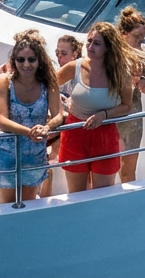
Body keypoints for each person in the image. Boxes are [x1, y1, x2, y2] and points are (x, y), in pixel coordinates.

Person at [57, 21, 134, 192]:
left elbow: (127, 106)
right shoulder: (75, 67)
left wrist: (104, 115)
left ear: (108, 48)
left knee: (103, 194)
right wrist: (58, 110)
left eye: (97, 43)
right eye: (89, 41)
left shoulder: (120, 73)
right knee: (77, 195)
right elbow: (49, 86)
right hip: (75, 133)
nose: (90, 47)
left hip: (104, 135)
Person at [0, 29, 63, 204]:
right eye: (20, 59)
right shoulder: (4, 82)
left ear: (39, 60)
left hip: (34, 156)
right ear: (14, 61)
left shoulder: (49, 83)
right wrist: (30, 132)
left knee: (29, 204)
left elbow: (58, 114)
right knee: (7, 207)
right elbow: (2, 120)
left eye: (31, 59)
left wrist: (47, 127)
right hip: (6, 155)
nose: (26, 64)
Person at [39, 34, 84, 198]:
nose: (59, 57)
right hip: (55, 122)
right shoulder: (55, 74)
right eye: (57, 53)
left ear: (75, 54)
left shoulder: (80, 77)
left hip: (70, 124)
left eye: (63, 53)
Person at [115, 7, 145, 183]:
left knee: (129, 169)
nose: (140, 41)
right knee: (108, 167)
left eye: (142, 37)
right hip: (113, 115)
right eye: (137, 36)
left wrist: (141, 83)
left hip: (133, 117)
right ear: (124, 33)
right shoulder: (113, 53)